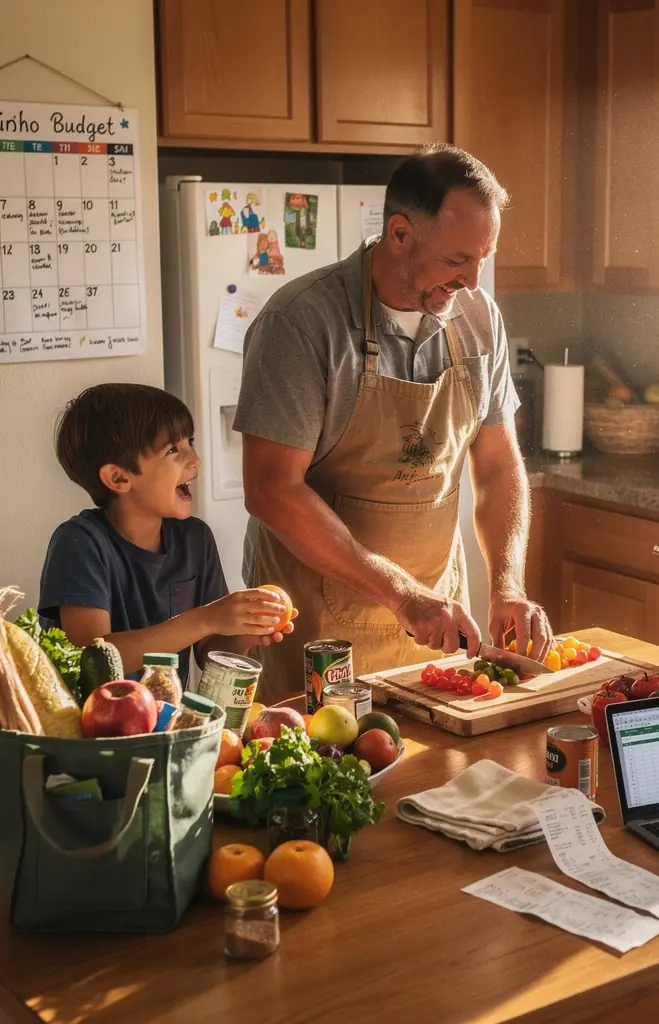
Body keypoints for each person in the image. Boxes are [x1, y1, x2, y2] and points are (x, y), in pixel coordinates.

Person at [235, 144, 551, 700]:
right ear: (400, 234)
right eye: (457, 261)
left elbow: (499, 465)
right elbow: (270, 490)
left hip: (436, 629)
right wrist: (402, 595)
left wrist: (507, 584)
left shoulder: (480, 319)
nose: (474, 282)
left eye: (484, 258)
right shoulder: (301, 324)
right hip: (318, 632)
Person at [39, 384, 292, 678]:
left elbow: (209, 653)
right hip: (91, 722)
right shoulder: (79, 544)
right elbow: (91, 659)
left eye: (190, 442)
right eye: (173, 450)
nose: (195, 459)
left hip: (168, 722)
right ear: (119, 477)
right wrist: (205, 619)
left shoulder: (196, 539)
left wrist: (246, 631)